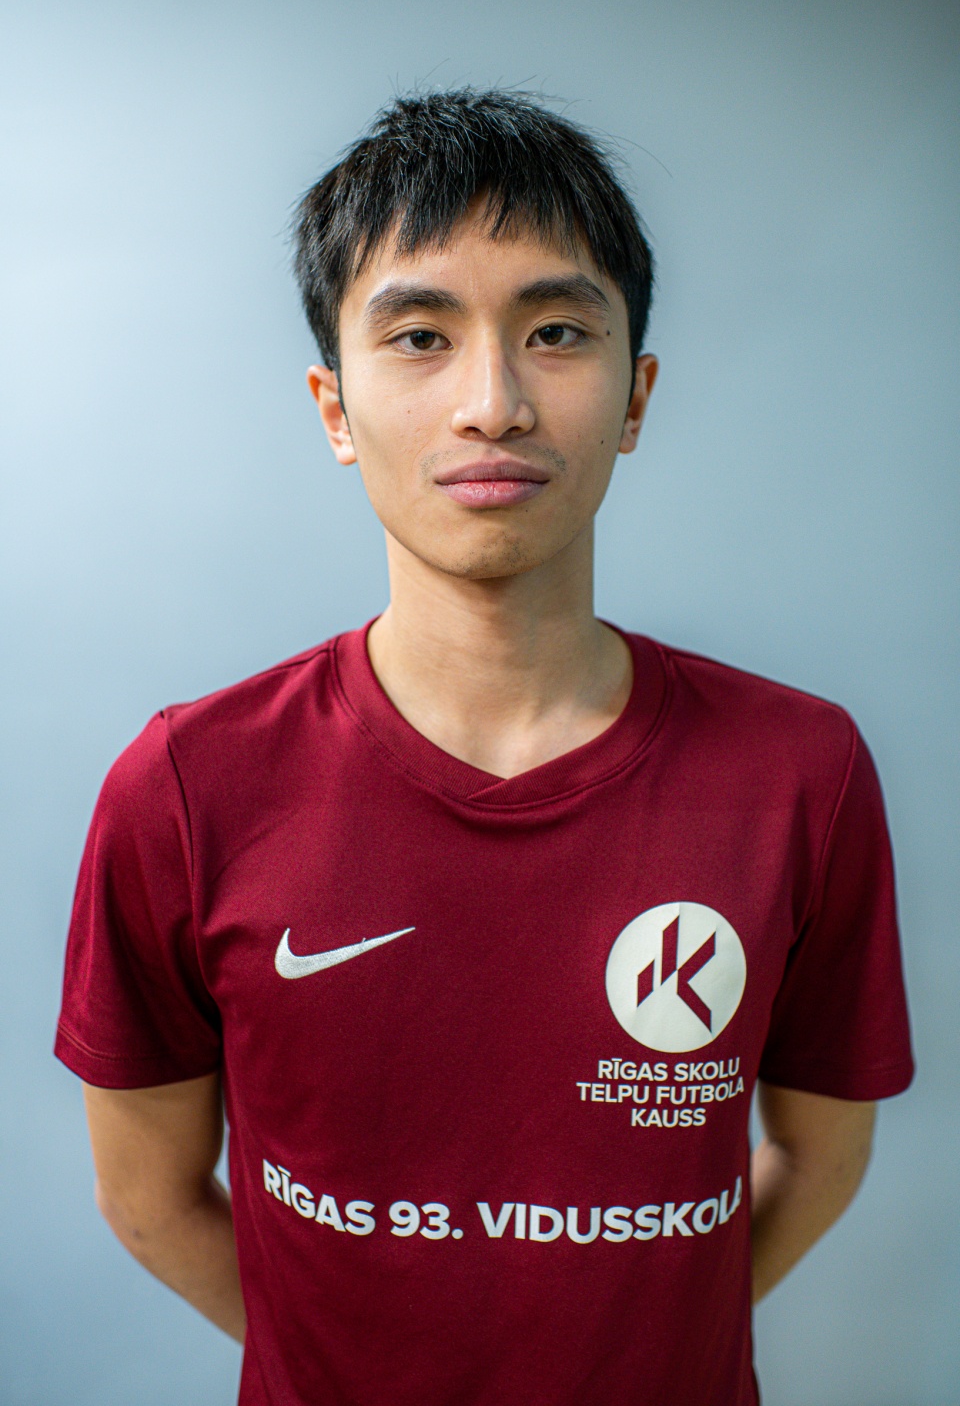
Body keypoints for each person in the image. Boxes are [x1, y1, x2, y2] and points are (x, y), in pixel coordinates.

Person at [55, 88, 914, 1406]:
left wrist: (642, 1340)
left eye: (556, 332)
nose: (492, 403)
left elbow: (823, 1156)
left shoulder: (802, 773)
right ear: (335, 409)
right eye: (420, 336)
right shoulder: (186, 788)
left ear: (635, 396)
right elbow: (148, 1192)